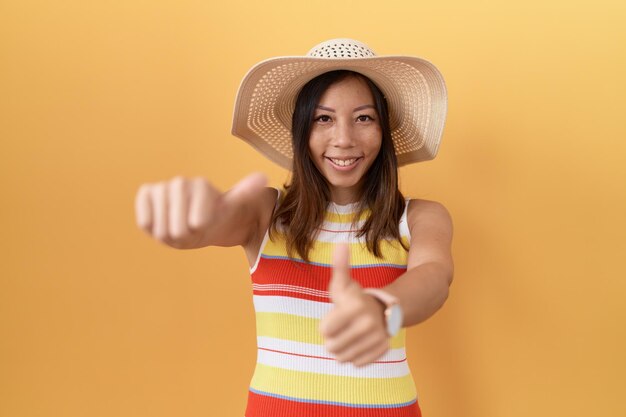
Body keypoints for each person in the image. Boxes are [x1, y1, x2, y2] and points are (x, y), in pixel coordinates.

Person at [135, 38, 453, 417]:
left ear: (384, 130)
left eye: (364, 117)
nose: (344, 139)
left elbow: (435, 279)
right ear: (301, 130)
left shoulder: (419, 217)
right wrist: (193, 223)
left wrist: (384, 309)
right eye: (324, 118)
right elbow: (217, 220)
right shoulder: (266, 213)